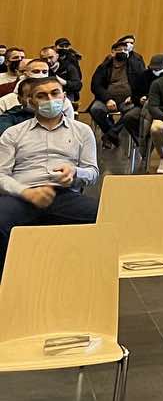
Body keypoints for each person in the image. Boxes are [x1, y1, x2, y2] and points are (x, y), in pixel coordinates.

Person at [0, 74, 99, 272]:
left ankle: (88, 277)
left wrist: (75, 172)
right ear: (31, 102)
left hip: (64, 194)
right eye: (42, 96)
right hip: (23, 194)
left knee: (105, 217)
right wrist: (26, 192)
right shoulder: (13, 133)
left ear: (64, 97)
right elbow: (1, 175)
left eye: (55, 93)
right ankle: (6, 280)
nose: (50, 99)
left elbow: (93, 172)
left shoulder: (82, 131)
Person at [88, 36, 145, 148]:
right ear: (113, 52)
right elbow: (96, 86)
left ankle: (110, 135)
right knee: (95, 109)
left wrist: (133, 97)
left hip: (127, 100)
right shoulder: (104, 66)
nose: (123, 52)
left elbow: (142, 84)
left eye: (125, 50)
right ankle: (111, 132)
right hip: (106, 100)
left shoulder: (135, 65)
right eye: (120, 50)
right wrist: (107, 99)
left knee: (131, 113)